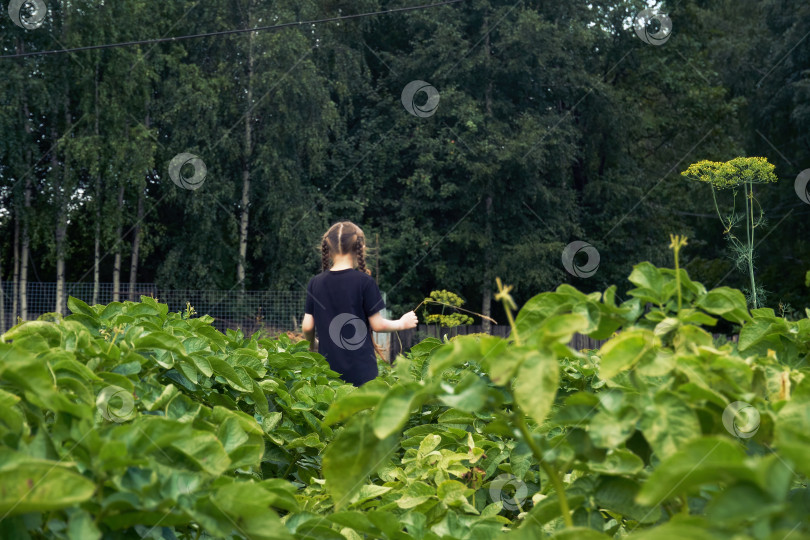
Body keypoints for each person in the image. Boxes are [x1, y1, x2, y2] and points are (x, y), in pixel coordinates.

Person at [301, 221, 418, 386]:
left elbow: (307, 327)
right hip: (362, 372)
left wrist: (313, 344)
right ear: (360, 248)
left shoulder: (315, 282)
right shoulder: (365, 282)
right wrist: (402, 323)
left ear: (327, 248)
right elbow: (378, 325)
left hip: (327, 371)